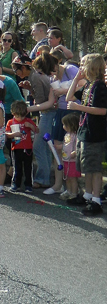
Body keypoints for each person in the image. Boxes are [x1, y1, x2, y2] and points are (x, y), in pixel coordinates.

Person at [66, 53, 107, 215]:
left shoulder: (100, 87)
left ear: (92, 67)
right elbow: (69, 97)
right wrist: (76, 79)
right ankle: (88, 195)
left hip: (95, 132)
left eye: (83, 64)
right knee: (86, 165)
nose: (80, 67)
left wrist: (79, 108)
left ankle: (96, 200)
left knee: (94, 167)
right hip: (85, 130)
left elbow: (103, 110)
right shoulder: (89, 85)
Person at [13, 54, 56, 189]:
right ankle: (45, 178)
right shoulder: (34, 76)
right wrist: (30, 89)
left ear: (25, 67)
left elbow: (43, 101)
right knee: (45, 146)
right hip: (47, 113)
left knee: (38, 146)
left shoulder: (35, 77)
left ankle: (42, 179)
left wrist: (28, 108)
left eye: (17, 69)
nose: (16, 72)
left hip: (49, 113)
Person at [42, 50, 79, 195]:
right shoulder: (52, 78)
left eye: (53, 70)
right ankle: (58, 185)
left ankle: (73, 185)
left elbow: (81, 85)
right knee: (57, 148)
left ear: (58, 63)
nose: (52, 74)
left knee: (72, 147)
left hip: (74, 111)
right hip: (61, 112)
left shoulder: (70, 69)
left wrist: (63, 91)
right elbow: (52, 99)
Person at [5, 100, 37, 193]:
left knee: (28, 167)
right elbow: (7, 134)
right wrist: (13, 134)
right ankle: (15, 184)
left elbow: (36, 130)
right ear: (13, 113)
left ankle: (28, 185)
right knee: (17, 167)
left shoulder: (28, 121)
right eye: (17, 116)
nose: (19, 118)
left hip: (27, 148)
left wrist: (30, 125)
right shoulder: (11, 122)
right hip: (16, 148)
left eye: (22, 116)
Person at [60, 113, 84, 203]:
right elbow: (65, 145)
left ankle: (74, 192)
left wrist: (75, 152)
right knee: (67, 177)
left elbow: (78, 146)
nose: (63, 126)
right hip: (66, 160)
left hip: (73, 161)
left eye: (65, 124)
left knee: (73, 177)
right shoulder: (67, 135)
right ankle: (69, 191)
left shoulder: (76, 136)